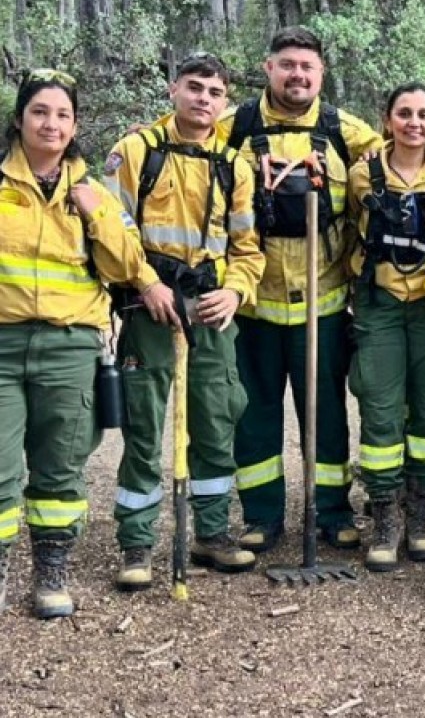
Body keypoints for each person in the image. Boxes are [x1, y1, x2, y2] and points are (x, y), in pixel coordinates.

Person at [105, 53, 265, 590]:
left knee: (216, 419)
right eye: (194, 87)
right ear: (174, 89)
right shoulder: (136, 151)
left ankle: (211, 534)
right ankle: (137, 544)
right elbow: (111, 228)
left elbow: (247, 246)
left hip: (210, 311)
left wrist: (235, 291)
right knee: (145, 426)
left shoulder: (234, 165)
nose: (204, 99)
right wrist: (144, 282)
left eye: (215, 92)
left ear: (225, 102)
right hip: (149, 308)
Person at [225, 27, 383, 554]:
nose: (297, 75)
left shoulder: (346, 133)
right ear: (268, 68)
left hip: (325, 301)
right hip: (254, 303)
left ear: (321, 74)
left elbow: (405, 156)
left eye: (307, 67)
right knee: (255, 415)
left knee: (327, 415)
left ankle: (332, 512)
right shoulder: (234, 129)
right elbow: (182, 138)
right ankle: (262, 516)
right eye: (287, 64)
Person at [0, 69, 146, 617]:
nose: (51, 124)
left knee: (60, 466)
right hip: (2, 344)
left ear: (75, 125)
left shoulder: (94, 191)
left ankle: (51, 571)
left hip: (70, 346)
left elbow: (127, 266)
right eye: (40, 112)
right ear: (19, 119)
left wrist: (96, 215)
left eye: (63, 114)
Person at [347, 82, 425, 571]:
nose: (414, 123)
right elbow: (346, 235)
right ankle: (384, 520)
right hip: (379, 306)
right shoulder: (362, 175)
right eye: (404, 113)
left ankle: (419, 518)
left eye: (423, 115)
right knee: (379, 410)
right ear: (387, 119)